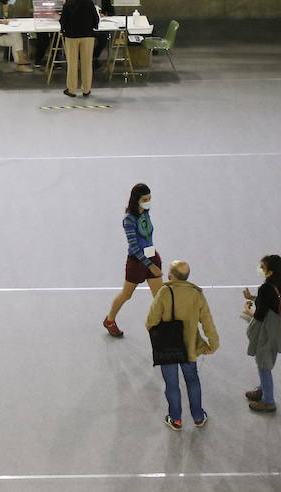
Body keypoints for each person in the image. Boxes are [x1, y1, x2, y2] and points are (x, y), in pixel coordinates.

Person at [144, 260, 218, 431]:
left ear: (171, 275)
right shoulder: (196, 294)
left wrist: (158, 334)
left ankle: (175, 419)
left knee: (171, 384)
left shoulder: (164, 292)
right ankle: (198, 417)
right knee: (192, 380)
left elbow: (150, 321)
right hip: (190, 347)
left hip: (168, 347)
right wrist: (213, 344)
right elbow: (207, 321)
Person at [103, 183, 162, 337]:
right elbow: (134, 248)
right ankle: (109, 320)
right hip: (137, 263)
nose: (148, 202)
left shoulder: (146, 212)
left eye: (150, 198)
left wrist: (153, 256)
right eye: (145, 199)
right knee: (126, 295)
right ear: (136, 200)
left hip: (151, 257)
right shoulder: (129, 220)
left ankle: (163, 325)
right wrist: (151, 265)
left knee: (160, 295)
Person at [243, 254, 281, 414]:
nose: (260, 269)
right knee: (266, 361)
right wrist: (253, 298)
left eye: (263, 267)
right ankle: (262, 389)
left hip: (266, 332)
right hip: (275, 330)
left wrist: (248, 309)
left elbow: (259, 315)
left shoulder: (265, 288)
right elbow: (271, 302)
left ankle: (268, 401)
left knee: (263, 365)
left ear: (270, 272)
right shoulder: (279, 286)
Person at [59, 0, 101, 98]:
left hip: (71, 36)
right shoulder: (89, 3)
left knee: (72, 64)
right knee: (87, 63)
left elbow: (63, 22)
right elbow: (96, 20)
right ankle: (86, 89)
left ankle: (72, 90)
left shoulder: (68, 4)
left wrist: (64, 31)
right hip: (88, 36)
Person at [90, 0, 115, 66]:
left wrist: (105, 15)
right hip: (89, 25)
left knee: (104, 37)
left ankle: (94, 56)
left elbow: (112, 12)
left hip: (102, 24)